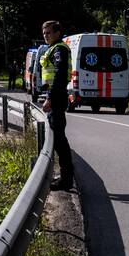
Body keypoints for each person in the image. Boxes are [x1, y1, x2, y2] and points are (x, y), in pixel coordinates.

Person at [40, 20, 74, 191]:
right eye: (44, 33)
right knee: (59, 140)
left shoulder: (59, 49)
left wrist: (50, 98)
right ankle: (65, 177)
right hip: (56, 95)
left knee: (60, 141)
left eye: (49, 32)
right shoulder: (53, 49)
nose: (46, 36)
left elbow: (60, 76)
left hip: (57, 97)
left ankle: (66, 180)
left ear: (57, 33)